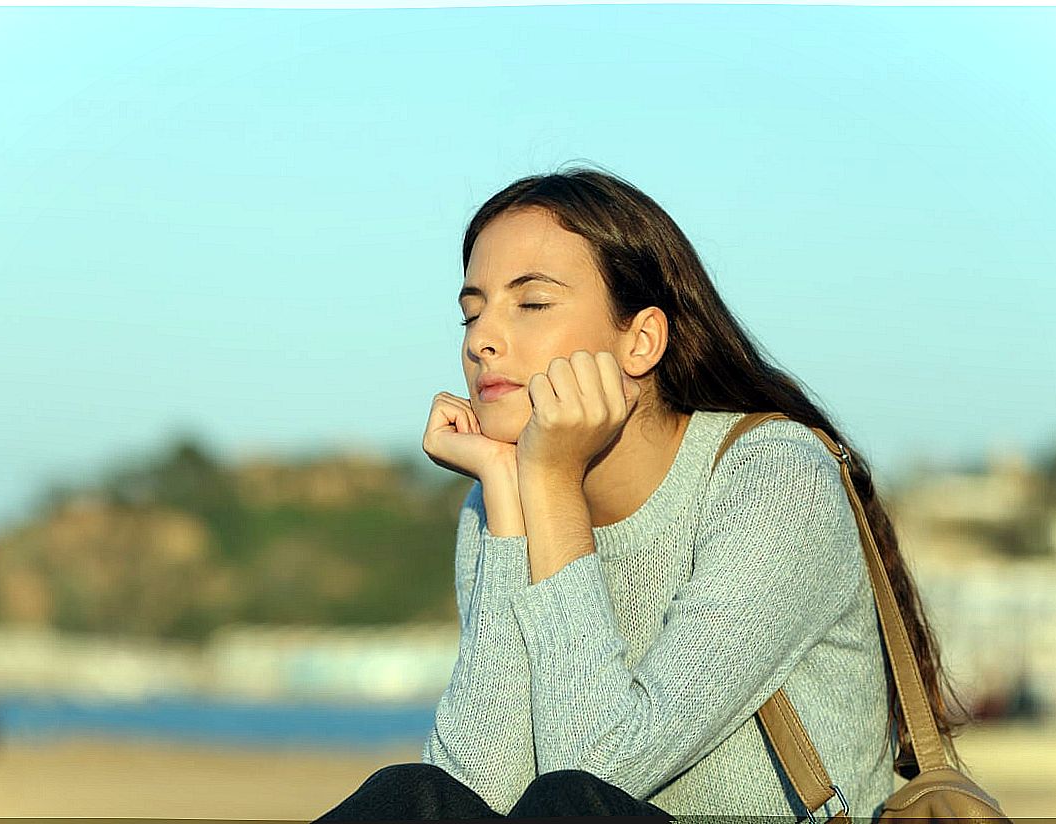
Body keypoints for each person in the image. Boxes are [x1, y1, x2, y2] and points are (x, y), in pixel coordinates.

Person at [315, 166, 971, 821]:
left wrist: (549, 483)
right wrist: (510, 501)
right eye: (471, 310)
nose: (482, 340)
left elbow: (595, 772)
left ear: (641, 340)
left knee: (569, 802)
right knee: (408, 797)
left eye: (532, 303)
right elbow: (475, 787)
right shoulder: (496, 503)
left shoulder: (772, 477)